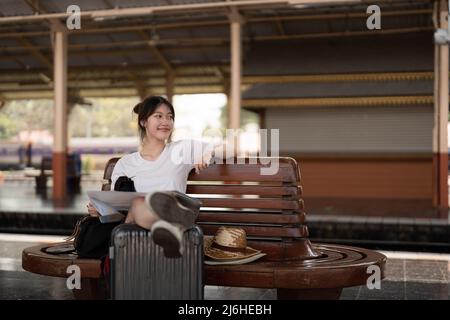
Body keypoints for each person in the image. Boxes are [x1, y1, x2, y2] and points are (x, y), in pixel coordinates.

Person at [87, 95, 215, 258]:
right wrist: (100, 211)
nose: (166, 122)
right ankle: (170, 226)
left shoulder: (181, 150)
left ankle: (170, 224)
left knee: (156, 201)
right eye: (158, 116)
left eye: (170, 117)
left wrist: (208, 153)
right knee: (138, 204)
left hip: (153, 223)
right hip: (136, 232)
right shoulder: (126, 164)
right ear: (143, 122)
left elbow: (229, 146)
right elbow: (119, 212)